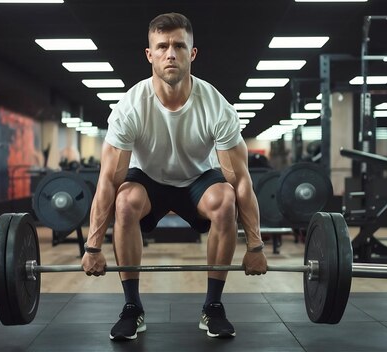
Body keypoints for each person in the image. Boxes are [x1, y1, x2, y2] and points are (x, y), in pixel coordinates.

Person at [81, 12, 267, 341]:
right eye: (162, 46)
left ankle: (212, 307)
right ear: (149, 54)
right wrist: (93, 247)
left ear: (192, 53)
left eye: (179, 46)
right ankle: (132, 308)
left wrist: (255, 245)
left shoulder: (216, 106)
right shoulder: (130, 107)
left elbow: (240, 182)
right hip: (149, 181)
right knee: (124, 201)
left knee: (225, 200)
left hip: (197, 180)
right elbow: (108, 180)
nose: (171, 53)